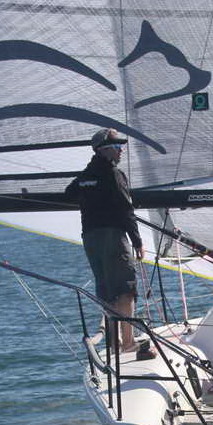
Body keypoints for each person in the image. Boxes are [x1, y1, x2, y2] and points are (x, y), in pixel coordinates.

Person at [64, 128, 156, 360]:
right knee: (125, 289)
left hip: (90, 238)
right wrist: (137, 241)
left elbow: (69, 193)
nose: (121, 150)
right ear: (104, 150)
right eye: (117, 147)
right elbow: (126, 209)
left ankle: (114, 345)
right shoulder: (114, 174)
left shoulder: (86, 175)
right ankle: (128, 343)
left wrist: (91, 195)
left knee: (106, 291)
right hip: (113, 237)